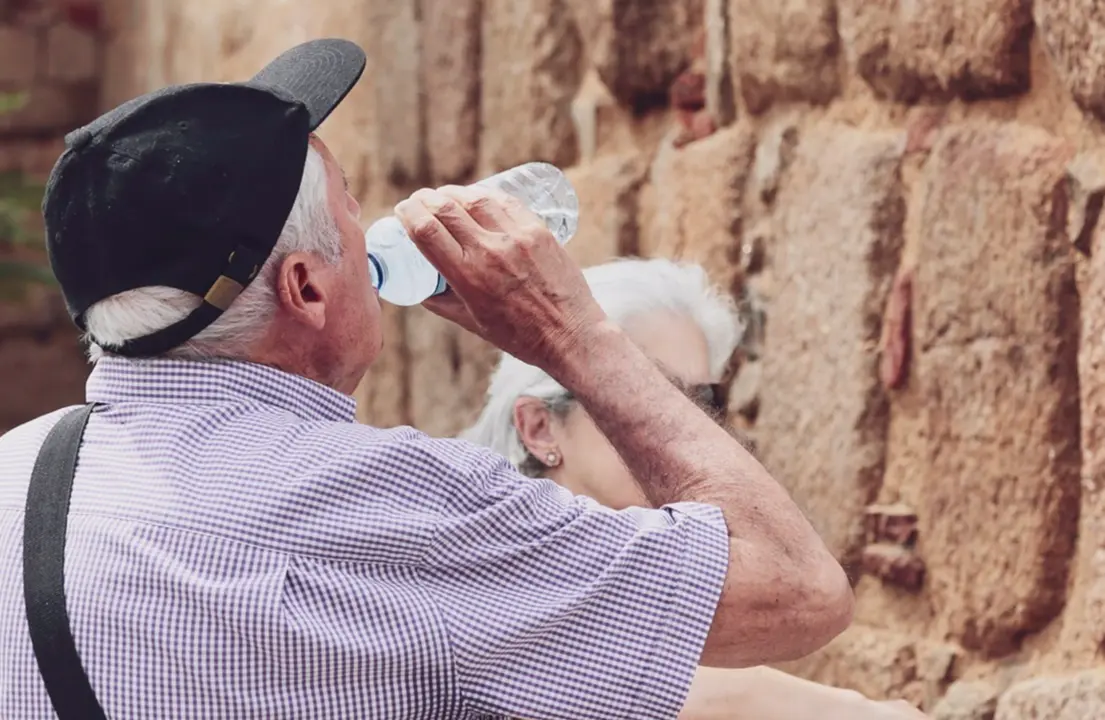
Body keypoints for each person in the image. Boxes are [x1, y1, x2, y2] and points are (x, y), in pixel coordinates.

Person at [0, 38, 853, 719]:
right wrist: (574, 336)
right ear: (304, 287)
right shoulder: (385, 508)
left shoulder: (15, 473)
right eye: (348, 200)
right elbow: (796, 591)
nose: (370, 224)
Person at [463, 257, 928, 720]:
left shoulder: (680, 572)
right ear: (540, 427)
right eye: (641, 395)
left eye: (702, 402)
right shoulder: (480, 565)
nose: (682, 426)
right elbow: (568, 674)